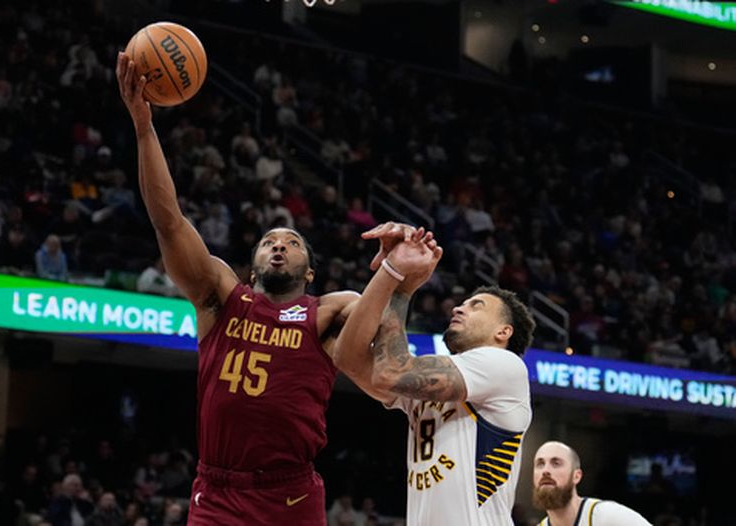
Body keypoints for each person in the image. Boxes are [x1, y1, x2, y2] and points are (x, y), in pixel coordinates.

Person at [117, 52, 376, 525]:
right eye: (268, 242)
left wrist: (393, 273)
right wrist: (143, 128)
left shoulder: (329, 312)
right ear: (252, 265)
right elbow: (168, 222)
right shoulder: (222, 297)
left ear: (310, 272)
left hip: (292, 494)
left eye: (292, 243)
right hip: (218, 493)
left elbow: (374, 324)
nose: (278, 247)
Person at [335, 222, 536, 525]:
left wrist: (402, 287)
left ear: (503, 331)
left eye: (476, 306)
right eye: (462, 303)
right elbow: (347, 358)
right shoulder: (439, 381)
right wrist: (390, 271)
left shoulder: (504, 366)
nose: (458, 308)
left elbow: (388, 373)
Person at [532, 441, 652, 525]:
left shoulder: (610, 516)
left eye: (556, 463)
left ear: (576, 476)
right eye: (540, 464)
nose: (546, 470)